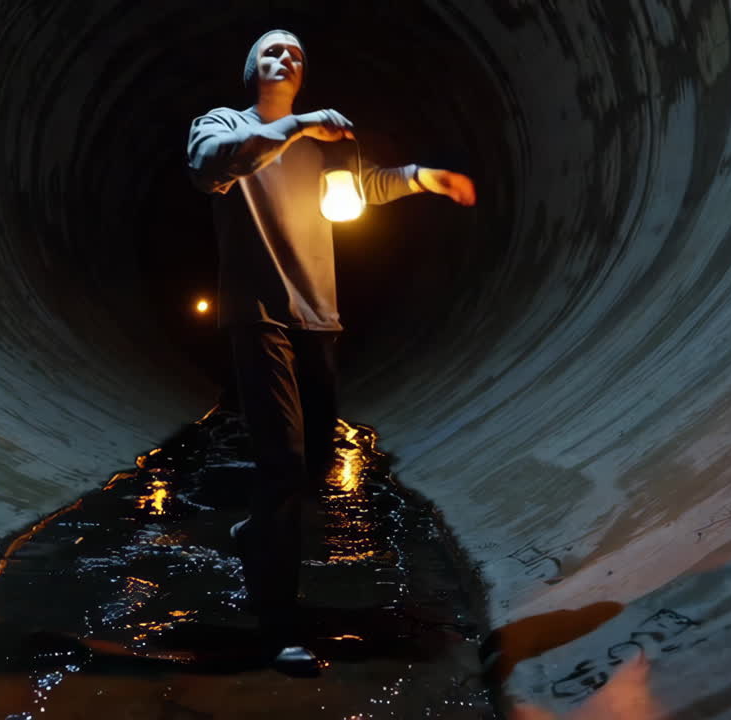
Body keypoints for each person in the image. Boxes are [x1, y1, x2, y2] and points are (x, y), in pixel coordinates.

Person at [185, 29, 477, 671]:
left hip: (319, 319)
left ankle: (258, 532)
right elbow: (210, 166)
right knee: (283, 465)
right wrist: (297, 127)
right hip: (258, 316)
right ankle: (277, 626)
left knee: (315, 463)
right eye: (272, 49)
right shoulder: (224, 123)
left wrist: (426, 177)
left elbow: (363, 188)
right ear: (250, 67)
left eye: (296, 53)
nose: (284, 56)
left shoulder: (323, 144)